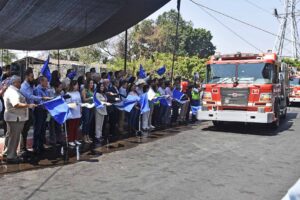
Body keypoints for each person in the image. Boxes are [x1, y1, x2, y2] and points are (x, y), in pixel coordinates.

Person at [2, 75, 36, 163]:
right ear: (15, 83)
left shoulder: (12, 90)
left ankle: (7, 153)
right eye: (19, 82)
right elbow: (16, 104)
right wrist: (28, 105)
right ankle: (11, 156)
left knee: (10, 136)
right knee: (14, 138)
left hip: (13, 117)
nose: (20, 84)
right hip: (15, 118)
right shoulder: (13, 92)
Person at [20, 69, 51, 153]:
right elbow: (30, 96)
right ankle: (31, 147)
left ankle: (40, 145)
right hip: (31, 109)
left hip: (34, 109)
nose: (33, 78)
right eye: (32, 76)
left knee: (42, 129)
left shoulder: (31, 86)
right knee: (32, 129)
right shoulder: (24, 86)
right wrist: (42, 98)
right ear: (27, 76)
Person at [32, 76, 51, 154]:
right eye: (46, 81)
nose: (47, 83)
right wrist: (47, 100)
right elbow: (39, 102)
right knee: (38, 129)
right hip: (38, 111)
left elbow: (47, 99)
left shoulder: (46, 89)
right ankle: (35, 146)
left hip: (44, 111)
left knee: (43, 129)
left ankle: (41, 145)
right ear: (41, 82)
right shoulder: (37, 90)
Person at [65, 80, 82, 147]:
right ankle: (70, 140)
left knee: (76, 127)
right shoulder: (68, 94)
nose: (78, 86)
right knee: (71, 127)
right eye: (76, 85)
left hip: (78, 112)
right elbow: (67, 104)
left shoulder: (78, 92)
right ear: (73, 85)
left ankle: (75, 139)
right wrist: (75, 104)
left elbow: (80, 101)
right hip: (72, 113)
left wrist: (80, 108)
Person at [81, 79, 94, 143]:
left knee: (89, 122)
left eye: (92, 83)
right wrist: (90, 98)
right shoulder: (84, 90)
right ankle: (84, 136)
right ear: (88, 83)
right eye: (90, 83)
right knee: (86, 122)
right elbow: (84, 99)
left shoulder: (91, 90)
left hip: (92, 107)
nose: (92, 84)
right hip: (86, 107)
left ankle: (87, 135)